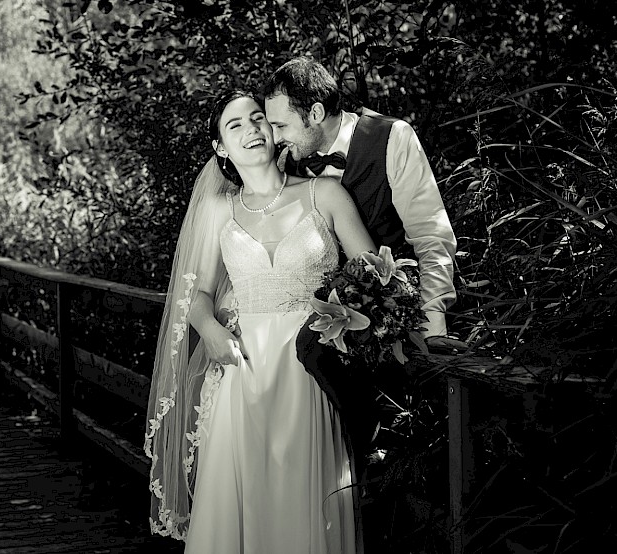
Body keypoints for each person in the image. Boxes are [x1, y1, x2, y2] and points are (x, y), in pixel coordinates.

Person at [145, 91, 377, 553]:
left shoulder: (324, 193)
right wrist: (210, 331)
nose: (251, 129)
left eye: (257, 118)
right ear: (220, 148)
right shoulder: (218, 211)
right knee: (245, 503)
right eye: (235, 126)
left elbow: (373, 279)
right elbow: (197, 295)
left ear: (274, 128)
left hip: (314, 368)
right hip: (243, 370)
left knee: (308, 501)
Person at [261, 56, 457, 340]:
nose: (276, 137)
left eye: (281, 126)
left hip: (400, 313)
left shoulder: (391, 137)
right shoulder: (287, 164)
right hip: (325, 325)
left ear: (315, 114)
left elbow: (432, 236)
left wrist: (431, 326)